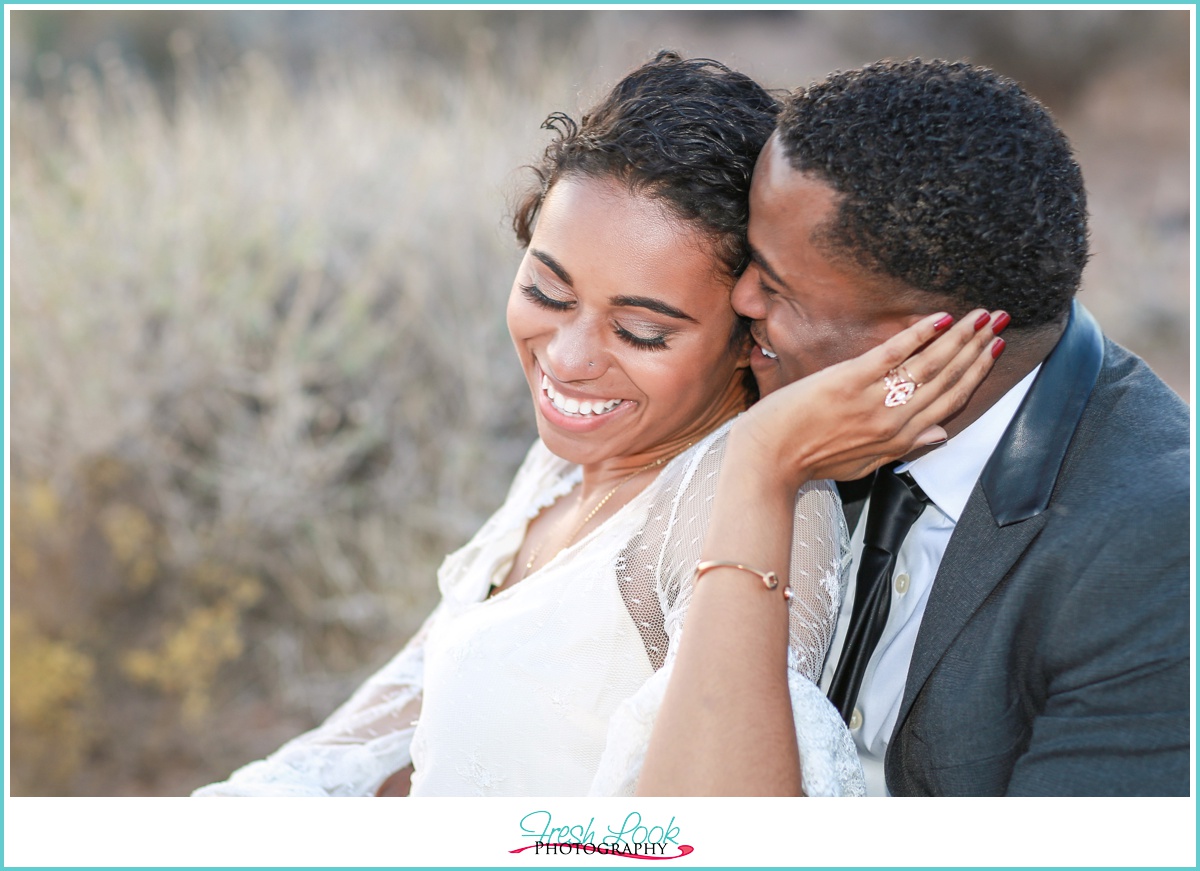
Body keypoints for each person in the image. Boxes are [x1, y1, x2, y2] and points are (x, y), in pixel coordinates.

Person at [195, 51, 995, 799]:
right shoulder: (569, 461)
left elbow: (718, 833)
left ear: (750, 333)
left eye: (641, 331)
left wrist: (761, 458)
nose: (570, 359)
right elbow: (392, 730)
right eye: (547, 290)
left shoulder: (746, 504)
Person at [638, 58, 1190, 797]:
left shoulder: (1155, 552)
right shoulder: (785, 383)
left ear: (922, 341)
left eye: (775, 285)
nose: (739, 297)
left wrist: (762, 463)